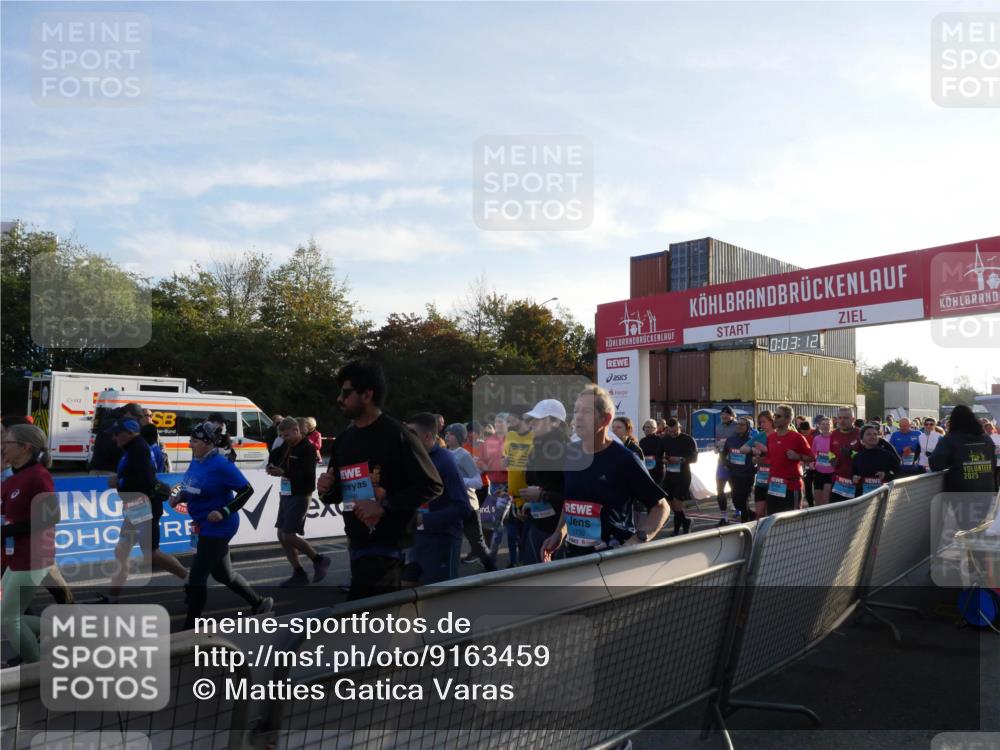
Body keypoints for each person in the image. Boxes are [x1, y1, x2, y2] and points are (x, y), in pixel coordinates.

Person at [317, 361, 443, 599]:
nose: (339, 399)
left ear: (367, 394)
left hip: (387, 548)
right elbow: (335, 494)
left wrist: (384, 506)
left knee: (367, 623)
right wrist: (325, 489)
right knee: (368, 624)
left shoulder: (397, 434)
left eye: (346, 393)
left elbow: (432, 484)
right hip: (356, 543)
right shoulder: (345, 439)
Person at [541, 385, 670, 560]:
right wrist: (559, 533)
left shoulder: (624, 459)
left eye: (586, 412)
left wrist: (637, 540)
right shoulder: (570, 454)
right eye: (576, 410)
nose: (577, 417)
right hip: (573, 558)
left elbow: (661, 507)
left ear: (605, 419)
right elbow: (571, 501)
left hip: (612, 560)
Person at [172, 423, 272, 630]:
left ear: (208, 444)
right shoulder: (197, 459)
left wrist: (224, 511)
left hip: (219, 527)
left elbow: (247, 491)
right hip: (203, 524)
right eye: (191, 440)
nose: (190, 444)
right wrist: (180, 496)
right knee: (222, 575)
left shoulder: (221, 465)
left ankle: (190, 628)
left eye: (195, 441)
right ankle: (259, 603)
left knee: (197, 577)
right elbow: (192, 485)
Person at [102, 419, 187, 604]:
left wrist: (119, 482)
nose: (114, 437)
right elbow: (137, 476)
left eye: (117, 433)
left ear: (130, 431)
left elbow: (146, 480)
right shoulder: (133, 448)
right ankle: (112, 597)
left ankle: (189, 580)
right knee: (121, 551)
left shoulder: (138, 449)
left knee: (151, 553)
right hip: (136, 506)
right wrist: (121, 478)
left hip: (142, 506)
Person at [1, 424, 60, 664]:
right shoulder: (13, 477)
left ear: (25, 447)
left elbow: (50, 516)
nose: (3, 446)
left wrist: (7, 530)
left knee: (8, 618)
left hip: (34, 556)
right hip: (16, 556)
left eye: (8, 442)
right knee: (7, 616)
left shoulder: (38, 475)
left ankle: (36, 672)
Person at [404, 414, 472, 584]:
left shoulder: (446, 460)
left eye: (411, 432)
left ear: (427, 436)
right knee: (409, 593)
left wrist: (424, 519)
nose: (406, 437)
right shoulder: (411, 458)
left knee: (440, 598)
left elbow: (463, 507)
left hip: (443, 540)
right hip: (415, 539)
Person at [267, 417, 329, 587]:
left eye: (286, 435)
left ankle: (319, 559)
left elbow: (308, 475)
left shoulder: (307, 448)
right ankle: (299, 573)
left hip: (301, 494)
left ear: (296, 431)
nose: (284, 438)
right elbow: (274, 457)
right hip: (286, 493)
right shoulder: (286, 445)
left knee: (289, 535)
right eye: (282, 436)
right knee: (281, 535)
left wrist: (284, 472)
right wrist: (272, 464)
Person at [929, 404, 998, 539]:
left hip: (962, 492)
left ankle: (975, 558)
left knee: (968, 531)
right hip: (986, 489)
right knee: (979, 529)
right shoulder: (986, 439)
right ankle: (980, 557)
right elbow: (993, 463)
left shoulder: (950, 439)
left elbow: (935, 463)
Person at [519, 399, 570, 565]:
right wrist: (528, 504)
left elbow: (573, 496)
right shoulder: (536, 449)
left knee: (552, 585)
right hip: (536, 526)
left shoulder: (565, 451)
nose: (531, 424)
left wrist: (543, 495)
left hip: (558, 532)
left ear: (555, 423)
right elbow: (537, 484)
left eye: (537, 419)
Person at [444, 423, 494, 571]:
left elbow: (478, 482)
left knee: (477, 543)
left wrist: (459, 481)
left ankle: (493, 571)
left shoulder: (464, 455)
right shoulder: (446, 453)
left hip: (469, 506)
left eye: (451, 433)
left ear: (459, 437)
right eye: (446, 433)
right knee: (450, 540)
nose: (447, 435)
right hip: (452, 505)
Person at [762, 405, 812, 515]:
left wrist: (797, 456)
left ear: (788, 419)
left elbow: (812, 457)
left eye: (778, 416)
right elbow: (770, 459)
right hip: (773, 486)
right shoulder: (771, 437)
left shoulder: (797, 437)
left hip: (791, 486)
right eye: (775, 415)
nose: (775, 418)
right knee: (772, 520)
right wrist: (758, 460)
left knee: (790, 524)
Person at [502, 411, 534, 567]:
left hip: (529, 496)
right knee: (511, 533)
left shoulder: (535, 437)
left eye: (512, 419)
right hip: (512, 494)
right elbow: (505, 460)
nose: (509, 422)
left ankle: (524, 563)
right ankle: (513, 562)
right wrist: (505, 460)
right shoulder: (510, 436)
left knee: (525, 537)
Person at [660, 418, 698, 534]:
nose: (673, 434)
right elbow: (659, 456)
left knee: (677, 503)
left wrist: (681, 459)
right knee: (669, 502)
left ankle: (676, 530)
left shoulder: (688, 439)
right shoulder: (665, 439)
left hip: (683, 476)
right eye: (670, 432)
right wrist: (663, 460)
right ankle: (686, 521)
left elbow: (694, 458)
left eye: (675, 431)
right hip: (669, 475)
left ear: (680, 428)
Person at [852, 425, 902, 496]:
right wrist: (854, 478)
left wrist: (886, 476)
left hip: (883, 498)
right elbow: (854, 474)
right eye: (868, 434)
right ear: (862, 439)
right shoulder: (858, 456)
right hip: (863, 498)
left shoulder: (887, 455)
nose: (873, 437)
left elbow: (900, 473)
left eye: (875, 434)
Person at [723, 417, 756, 522]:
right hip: (734, 475)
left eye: (742, 425)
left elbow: (759, 455)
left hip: (747, 475)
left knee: (743, 500)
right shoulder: (731, 439)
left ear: (748, 427)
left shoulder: (752, 441)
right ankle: (752, 514)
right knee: (737, 502)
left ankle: (745, 524)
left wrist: (754, 468)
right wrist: (726, 464)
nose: (739, 426)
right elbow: (724, 454)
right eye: (738, 424)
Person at [829, 407, 861, 504]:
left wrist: (852, 454)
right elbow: (830, 452)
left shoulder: (860, 433)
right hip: (838, 480)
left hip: (856, 481)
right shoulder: (833, 434)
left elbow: (867, 456)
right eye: (840, 418)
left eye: (846, 418)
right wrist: (832, 459)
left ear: (853, 419)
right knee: (837, 514)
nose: (842, 421)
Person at [714, 406, 740, 521]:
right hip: (721, 461)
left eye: (727, 414)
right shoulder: (718, 426)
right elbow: (717, 440)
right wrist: (716, 446)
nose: (724, 416)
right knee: (720, 490)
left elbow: (742, 441)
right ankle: (723, 516)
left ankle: (739, 510)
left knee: (735, 489)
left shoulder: (737, 426)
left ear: (732, 415)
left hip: (734, 462)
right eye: (722, 414)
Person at [750, 411, 774, 518]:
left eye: (764, 422)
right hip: (760, 481)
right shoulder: (759, 436)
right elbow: (742, 449)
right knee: (759, 513)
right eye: (760, 423)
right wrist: (753, 451)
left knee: (772, 514)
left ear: (772, 421)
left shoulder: (778, 436)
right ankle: (760, 534)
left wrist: (763, 449)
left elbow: (777, 456)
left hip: (775, 482)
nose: (762, 425)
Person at [810, 417, 836, 506]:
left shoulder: (834, 438)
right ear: (819, 426)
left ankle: (827, 518)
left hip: (830, 472)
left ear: (831, 426)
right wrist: (811, 463)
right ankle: (819, 519)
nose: (825, 426)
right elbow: (813, 454)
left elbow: (836, 454)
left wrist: (831, 457)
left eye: (827, 424)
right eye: (823, 424)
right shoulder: (816, 438)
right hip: (818, 472)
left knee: (826, 499)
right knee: (817, 500)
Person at [639, 419, 665, 486]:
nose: (646, 429)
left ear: (655, 429)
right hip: (646, 471)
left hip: (657, 471)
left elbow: (663, 456)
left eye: (649, 427)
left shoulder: (660, 440)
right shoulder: (642, 441)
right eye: (645, 427)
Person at [796, 419, 815, 508]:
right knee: (807, 487)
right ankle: (811, 505)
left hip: (815, 465)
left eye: (807, 430)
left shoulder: (814, 436)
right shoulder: (800, 437)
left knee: (813, 487)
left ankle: (813, 504)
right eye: (804, 431)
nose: (806, 432)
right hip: (805, 465)